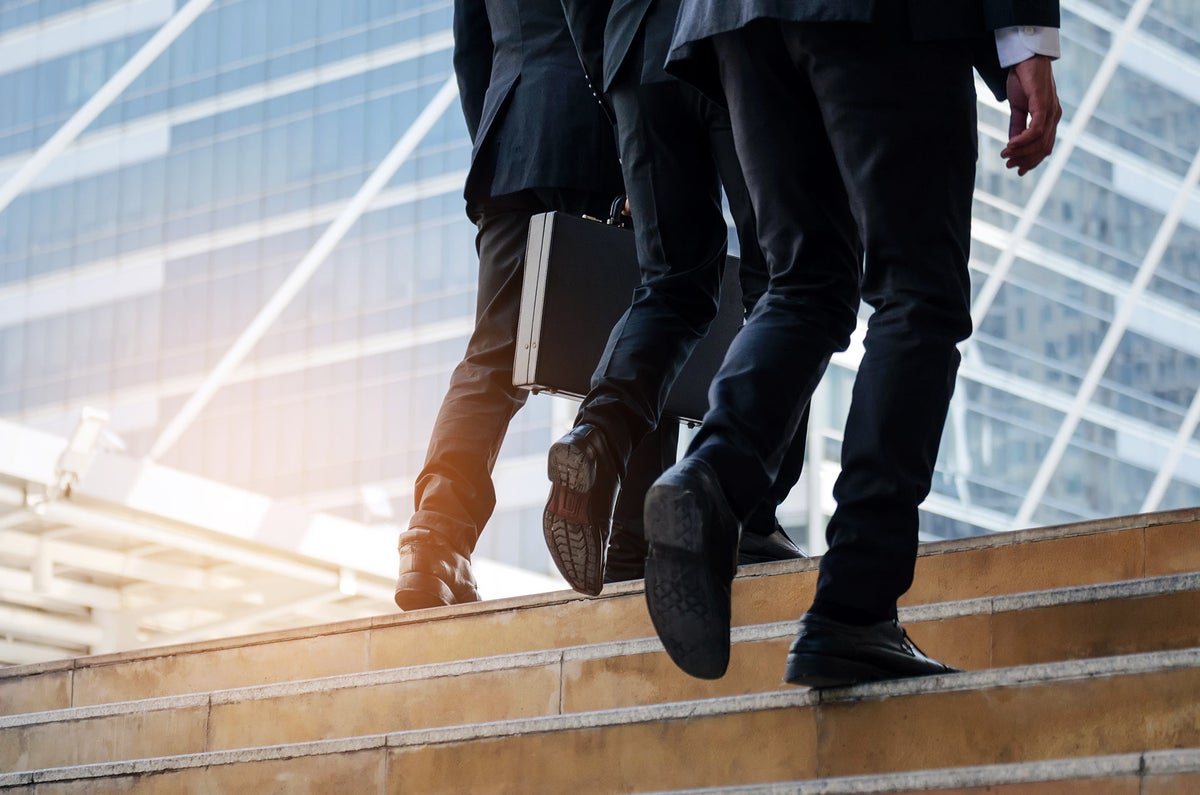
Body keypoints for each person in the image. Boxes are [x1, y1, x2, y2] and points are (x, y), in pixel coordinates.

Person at [638, 1, 1063, 680]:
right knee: (917, 294)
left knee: (804, 282)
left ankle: (712, 472)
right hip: (879, 20)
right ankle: (855, 605)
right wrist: (1025, 38)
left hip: (740, 23)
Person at [544, 0, 812, 598]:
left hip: (636, 56)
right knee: (782, 278)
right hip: (736, 44)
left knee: (670, 283)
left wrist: (615, 81)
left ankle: (596, 436)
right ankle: (748, 506)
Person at [393, 0, 635, 610]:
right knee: (639, 337)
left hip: (510, 142)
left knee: (493, 355)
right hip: (601, 139)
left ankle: (435, 537)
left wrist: (506, 136)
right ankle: (637, 546)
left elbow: (471, 50)